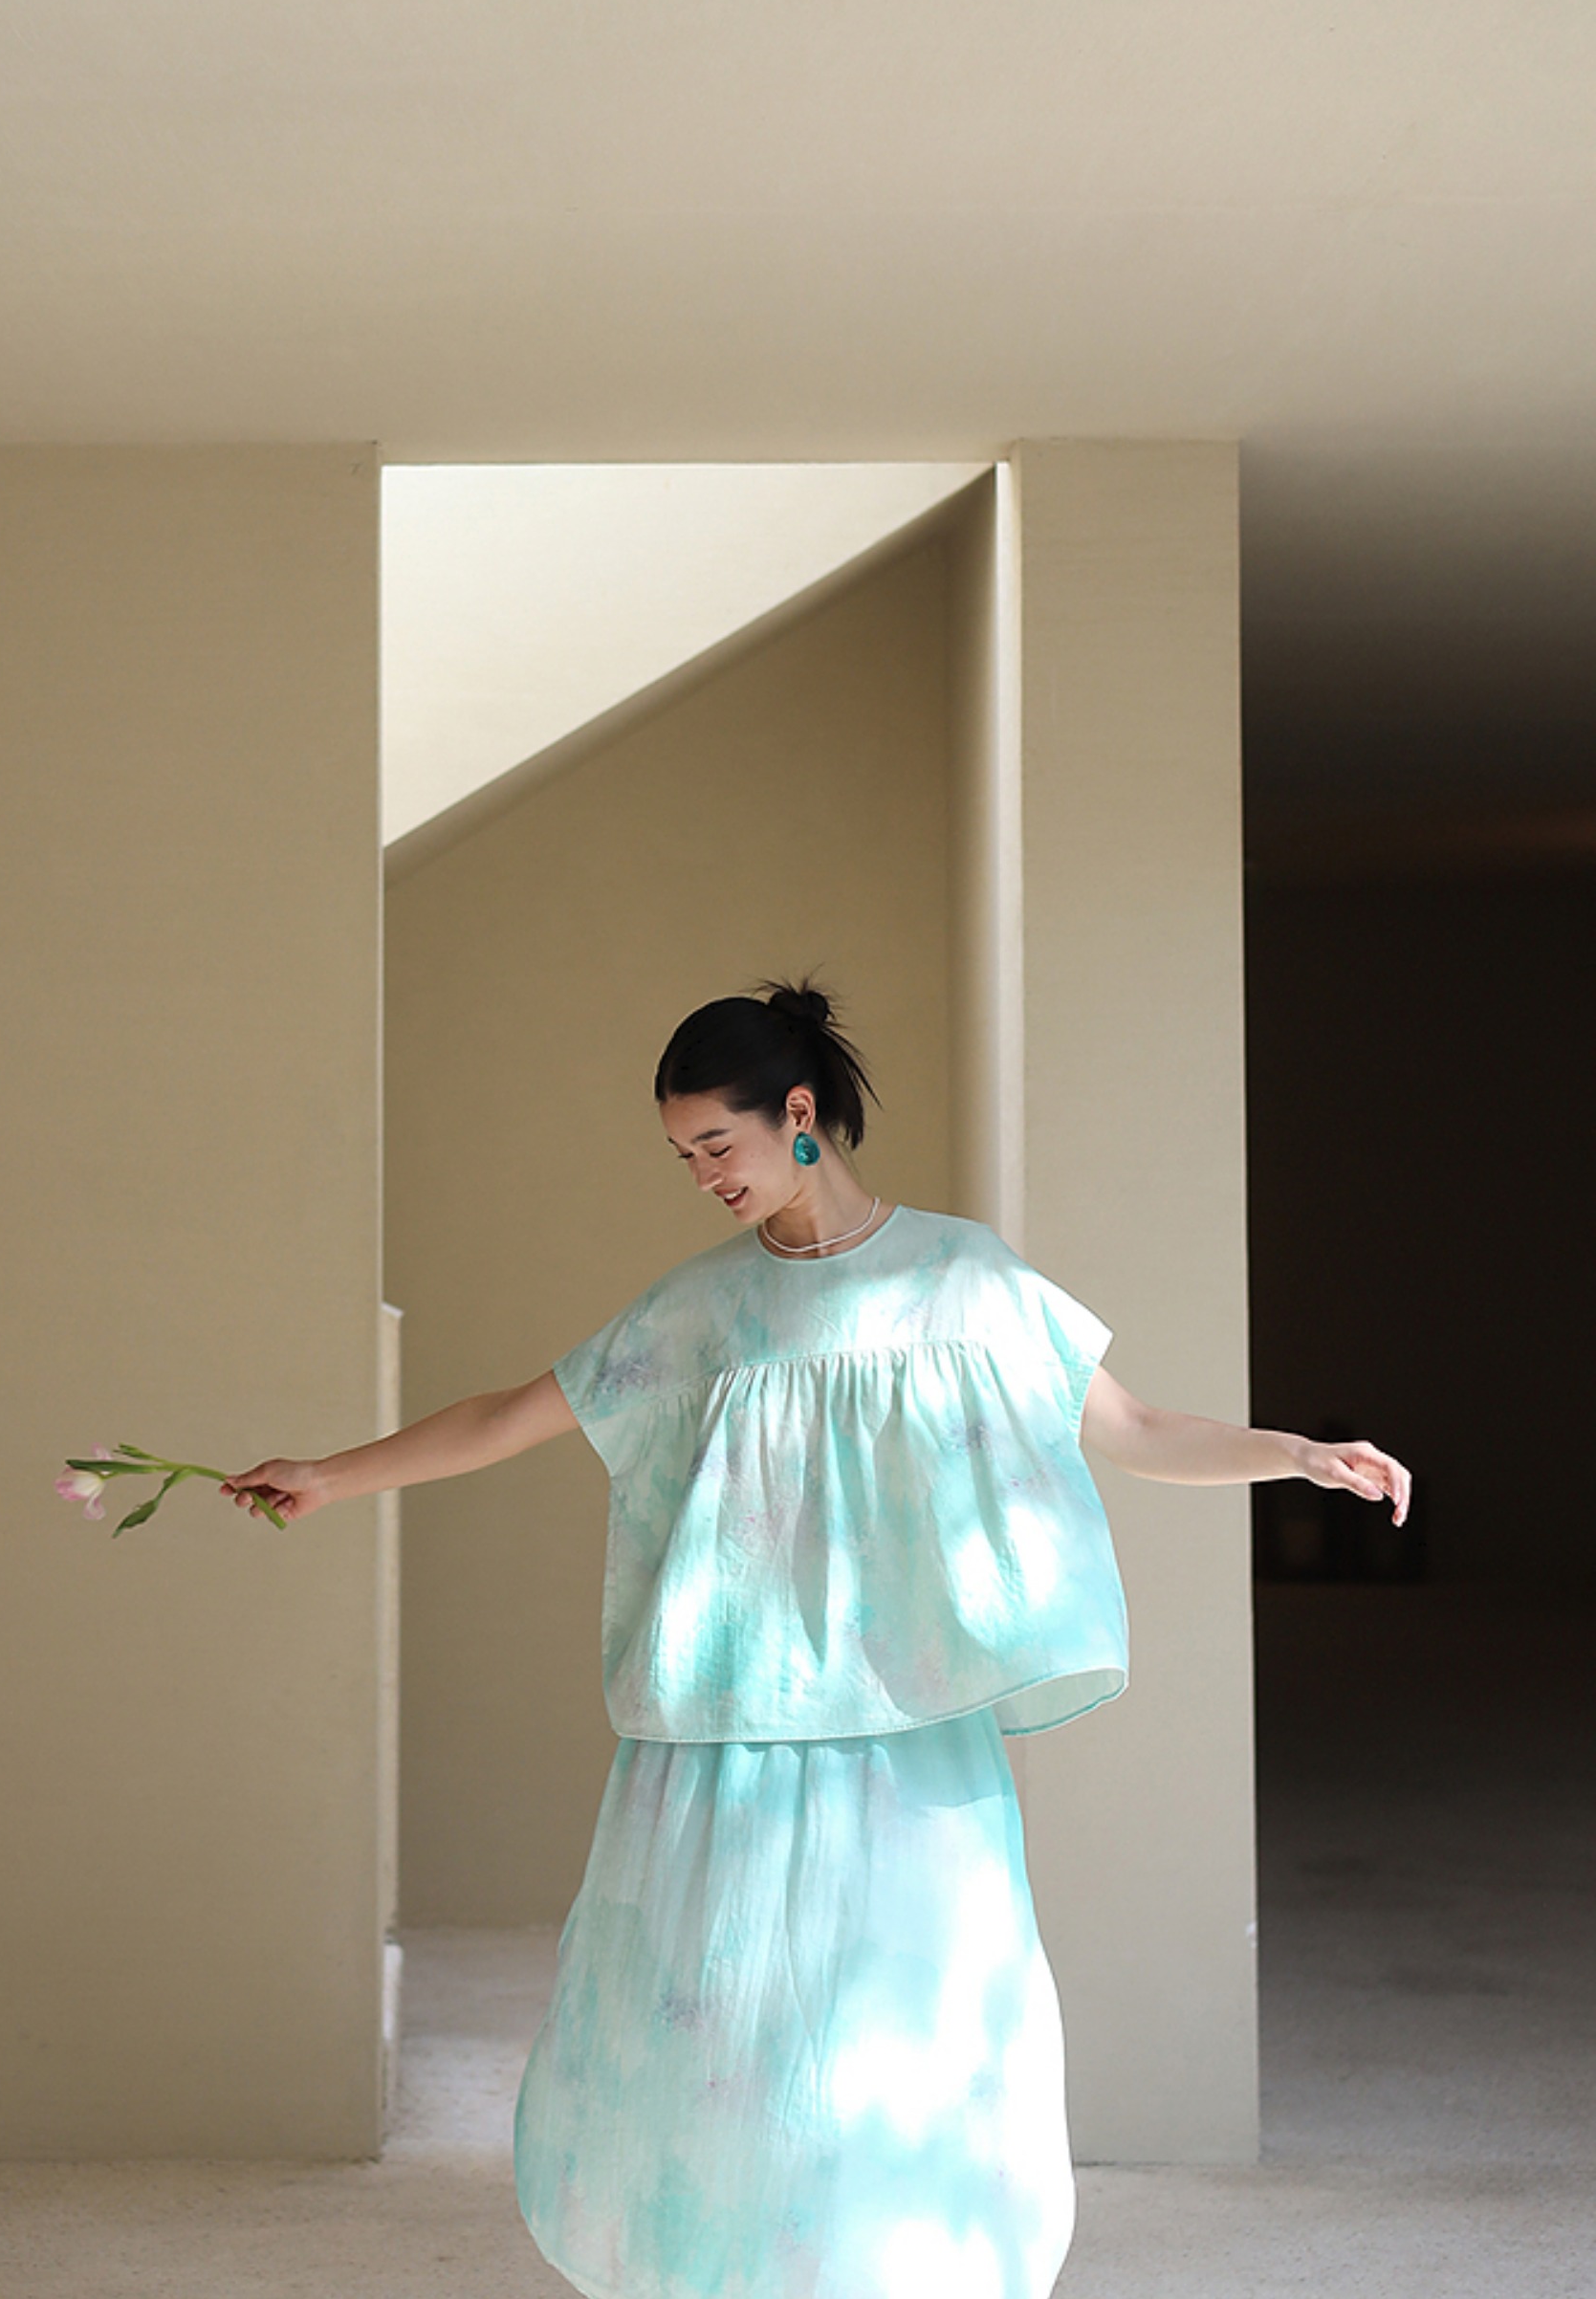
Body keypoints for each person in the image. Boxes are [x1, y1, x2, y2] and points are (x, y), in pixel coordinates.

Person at [221, 974, 1410, 2299]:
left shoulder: (965, 1279)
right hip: (727, 1744)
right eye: (682, 1157)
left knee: (905, 2055)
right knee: (721, 2055)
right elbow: (509, 1416)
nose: (703, 1178)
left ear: (798, 1114)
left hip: (908, 1749)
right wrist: (328, 1475)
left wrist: (1300, 1455)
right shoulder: (699, 1312)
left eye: (714, 1144)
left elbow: (1131, 1430)